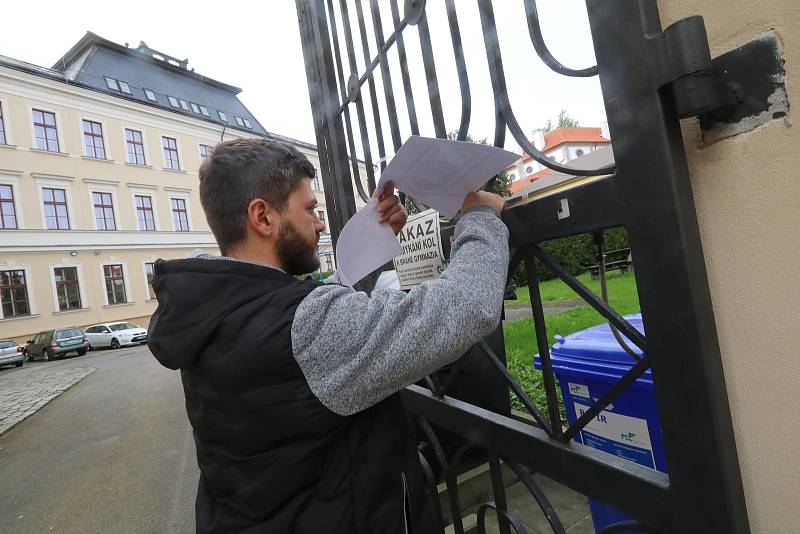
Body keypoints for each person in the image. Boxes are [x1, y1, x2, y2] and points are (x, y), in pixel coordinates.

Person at [148, 138, 509, 534]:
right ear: (262, 218)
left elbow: (309, 343)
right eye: (309, 209)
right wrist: (479, 217)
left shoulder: (210, 313)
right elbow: (467, 307)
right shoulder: (304, 328)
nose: (320, 223)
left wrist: (374, 236)